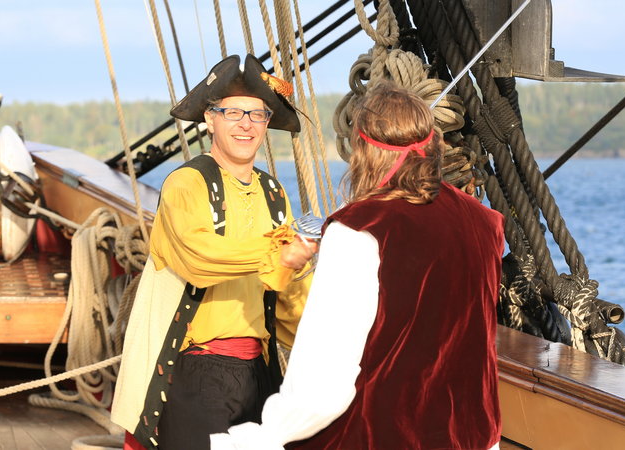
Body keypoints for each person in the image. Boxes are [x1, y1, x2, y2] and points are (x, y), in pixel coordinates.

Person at [211, 80, 505, 449]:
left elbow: (323, 385)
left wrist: (257, 438)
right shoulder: (485, 223)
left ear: (363, 149)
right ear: (432, 146)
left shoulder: (359, 231)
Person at [111, 54, 317, 450]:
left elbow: (288, 292)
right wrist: (277, 254)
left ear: (267, 123)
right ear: (210, 120)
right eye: (233, 112)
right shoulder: (185, 184)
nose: (246, 124)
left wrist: (324, 336)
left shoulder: (273, 194)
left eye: (257, 115)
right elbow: (200, 258)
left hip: (258, 370)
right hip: (193, 370)